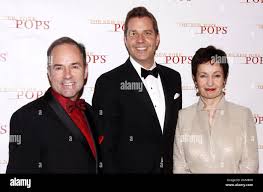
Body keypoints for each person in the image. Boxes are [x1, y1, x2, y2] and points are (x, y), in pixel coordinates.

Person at [92, 6, 182, 174]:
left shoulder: (173, 78)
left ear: (157, 39)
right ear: (125, 39)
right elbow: (104, 149)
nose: (140, 40)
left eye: (147, 33)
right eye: (133, 33)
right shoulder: (108, 83)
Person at [6, 37, 101, 173]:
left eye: (74, 66)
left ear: (85, 71)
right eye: (59, 68)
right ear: (49, 73)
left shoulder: (91, 113)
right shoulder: (26, 118)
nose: (67, 75)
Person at [173, 45, 259, 173]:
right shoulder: (184, 116)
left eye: (216, 76)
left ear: (225, 78)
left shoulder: (243, 115)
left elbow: (250, 166)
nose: (210, 83)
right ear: (195, 79)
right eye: (203, 76)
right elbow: (180, 166)